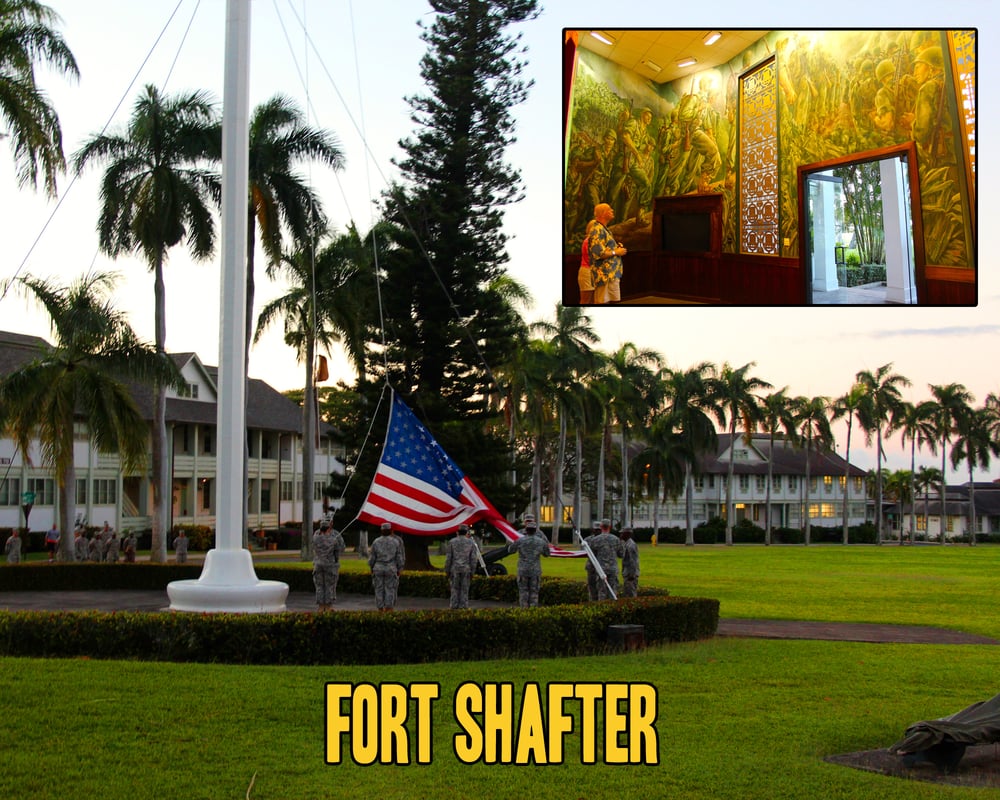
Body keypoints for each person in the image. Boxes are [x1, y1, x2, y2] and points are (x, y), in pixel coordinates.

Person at [506, 514, 551, 608]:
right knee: (534, 592)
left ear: (526, 530)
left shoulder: (520, 540)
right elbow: (547, 553)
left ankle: (524, 610)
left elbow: (510, 550)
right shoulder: (541, 541)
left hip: (523, 570)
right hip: (535, 570)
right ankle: (532, 611)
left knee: (523, 592)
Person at [588, 203, 627, 304]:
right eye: (609, 209)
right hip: (604, 275)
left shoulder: (604, 229)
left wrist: (616, 249)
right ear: (602, 214)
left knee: (614, 301)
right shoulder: (597, 230)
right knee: (602, 302)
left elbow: (605, 249)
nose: (612, 211)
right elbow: (598, 253)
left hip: (611, 275)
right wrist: (616, 252)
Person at [368, 522, 405, 611]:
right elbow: (399, 557)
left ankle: (380, 608)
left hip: (378, 568)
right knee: (390, 589)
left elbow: (372, 557)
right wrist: (399, 568)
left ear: (381, 531)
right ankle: (389, 608)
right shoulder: (395, 542)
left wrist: (371, 567)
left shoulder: (376, 541)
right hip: (391, 568)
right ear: (390, 531)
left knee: (378, 589)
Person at [312, 521, 346, 611]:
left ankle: (320, 607)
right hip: (330, 565)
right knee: (330, 586)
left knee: (319, 586)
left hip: (318, 564)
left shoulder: (315, 538)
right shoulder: (334, 539)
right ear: (329, 528)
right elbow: (339, 551)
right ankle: (328, 607)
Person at [588, 519, 624, 600]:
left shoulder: (595, 540)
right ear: (610, 527)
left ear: (601, 527)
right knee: (613, 591)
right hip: (613, 569)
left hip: (601, 569)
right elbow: (621, 554)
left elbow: (592, 556)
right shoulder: (616, 539)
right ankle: (612, 606)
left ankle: (602, 606)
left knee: (602, 591)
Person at [445, 524, 478, 609]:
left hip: (454, 569)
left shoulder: (452, 542)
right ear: (467, 532)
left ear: (457, 532)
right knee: (464, 590)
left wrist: (447, 571)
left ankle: (454, 606)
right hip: (466, 569)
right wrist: (473, 571)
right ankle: (463, 607)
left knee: (454, 589)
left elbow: (448, 558)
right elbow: (473, 559)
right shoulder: (471, 543)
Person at [577, 220, 597, 304]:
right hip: (587, 273)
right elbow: (592, 259)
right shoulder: (588, 241)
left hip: (595, 273)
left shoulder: (596, 241)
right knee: (586, 301)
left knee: (594, 300)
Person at [584, 520, 602, 601]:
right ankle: (592, 601)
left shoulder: (604, 539)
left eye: (599, 530)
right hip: (591, 567)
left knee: (601, 586)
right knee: (591, 586)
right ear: (592, 530)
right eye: (596, 529)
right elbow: (583, 551)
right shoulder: (587, 540)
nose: (597, 531)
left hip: (601, 567)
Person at [620, 528, 640, 598]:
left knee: (631, 594)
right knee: (627, 594)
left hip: (630, 575)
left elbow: (633, 561)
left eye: (622, 533)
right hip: (627, 573)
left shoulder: (631, 545)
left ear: (627, 534)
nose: (621, 535)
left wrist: (632, 575)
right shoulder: (626, 544)